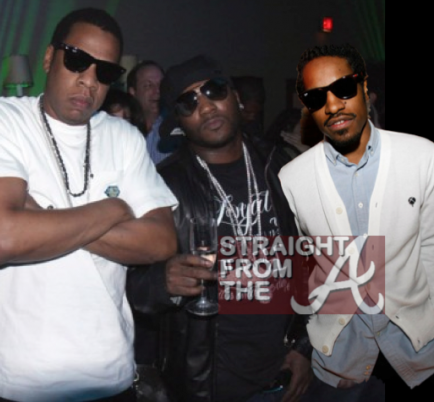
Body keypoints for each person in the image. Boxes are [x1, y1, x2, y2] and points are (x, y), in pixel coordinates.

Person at [0, 8, 177, 402]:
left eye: (105, 72)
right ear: (48, 57)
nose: (89, 80)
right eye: (77, 60)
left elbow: (161, 241)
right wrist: (113, 209)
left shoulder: (123, 137)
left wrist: (40, 218)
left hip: (112, 376)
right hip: (22, 381)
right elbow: (3, 240)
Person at [127, 55, 313, 402]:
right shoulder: (162, 186)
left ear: (236, 98)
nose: (206, 106)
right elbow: (130, 287)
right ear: (178, 122)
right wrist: (161, 280)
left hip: (283, 373)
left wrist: (304, 346)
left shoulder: (278, 164)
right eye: (188, 102)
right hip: (209, 382)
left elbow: (311, 259)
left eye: (214, 90)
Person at [279, 43, 433, 399]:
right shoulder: (292, 178)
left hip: (419, 355)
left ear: (364, 87)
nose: (333, 105)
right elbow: (302, 272)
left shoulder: (422, 157)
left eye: (343, 88)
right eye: (317, 97)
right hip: (338, 366)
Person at [127, 61, 182, 164]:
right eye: (148, 85)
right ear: (133, 92)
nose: (157, 90)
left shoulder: (179, 129)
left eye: (161, 85)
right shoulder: (123, 129)